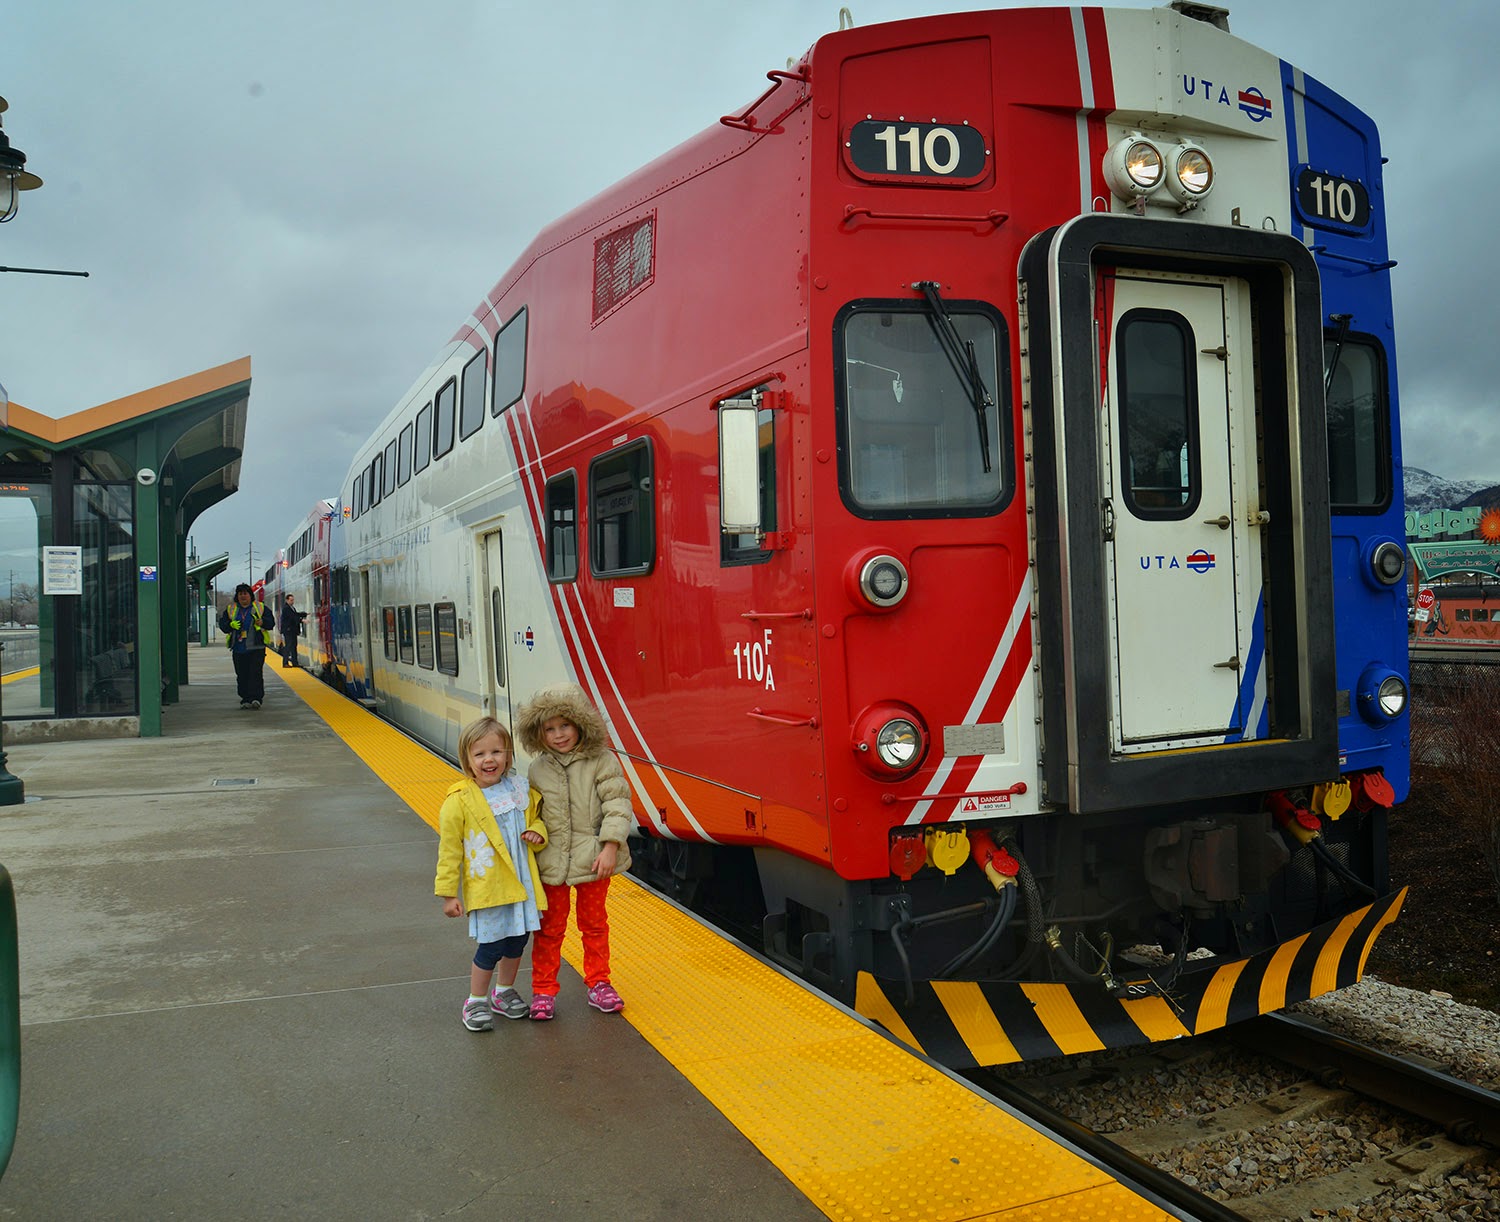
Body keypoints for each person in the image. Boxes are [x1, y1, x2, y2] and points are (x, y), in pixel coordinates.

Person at [516, 682, 633, 1020]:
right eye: (549, 729)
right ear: (539, 734)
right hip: (551, 861)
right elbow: (533, 812)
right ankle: (543, 990)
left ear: (580, 724)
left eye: (564, 725)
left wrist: (611, 846)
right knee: (549, 929)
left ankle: (599, 982)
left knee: (594, 923)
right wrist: (534, 834)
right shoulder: (538, 769)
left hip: (594, 858)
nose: (558, 735)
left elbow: (618, 803)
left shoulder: (601, 760)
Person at [434, 717, 548, 1031]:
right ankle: (476, 1000)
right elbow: (449, 851)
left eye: (497, 752)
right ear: (467, 760)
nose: (489, 760)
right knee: (491, 947)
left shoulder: (519, 790)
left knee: (517, 942)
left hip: (521, 886)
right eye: (480, 754)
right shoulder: (460, 800)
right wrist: (448, 894)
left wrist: (537, 833)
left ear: (508, 755)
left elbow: (536, 819)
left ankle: (504, 992)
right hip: (489, 888)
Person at [217, 583, 274, 709]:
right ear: (237, 596)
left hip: (256, 647)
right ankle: (245, 698)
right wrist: (230, 625)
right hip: (238, 648)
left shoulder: (260, 608)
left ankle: (256, 698)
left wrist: (262, 622)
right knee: (242, 674)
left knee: (255, 673)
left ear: (250, 595)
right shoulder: (231, 609)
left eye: (245, 593)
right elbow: (223, 625)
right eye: (240, 594)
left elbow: (271, 623)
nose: (243, 596)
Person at [279, 594, 308, 668]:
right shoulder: (286, 608)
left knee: (293, 646)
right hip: (288, 630)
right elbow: (292, 617)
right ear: (287, 600)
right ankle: (285, 663)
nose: (292, 601)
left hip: (292, 631)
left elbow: (295, 614)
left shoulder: (291, 608)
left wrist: (304, 614)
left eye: (293, 600)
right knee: (288, 646)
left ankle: (295, 662)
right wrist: (302, 620)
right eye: (291, 600)